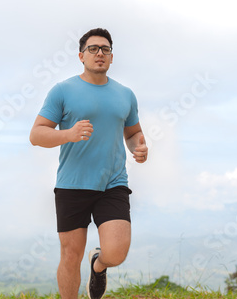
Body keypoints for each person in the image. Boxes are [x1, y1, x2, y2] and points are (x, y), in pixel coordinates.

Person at [29, 28, 148, 299]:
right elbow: (36, 134)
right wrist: (68, 134)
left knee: (116, 253)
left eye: (105, 49)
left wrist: (139, 147)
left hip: (113, 182)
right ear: (81, 56)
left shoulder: (125, 94)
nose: (99, 53)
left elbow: (132, 133)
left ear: (112, 57)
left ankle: (99, 264)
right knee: (70, 255)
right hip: (73, 184)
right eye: (93, 49)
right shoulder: (62, 91)